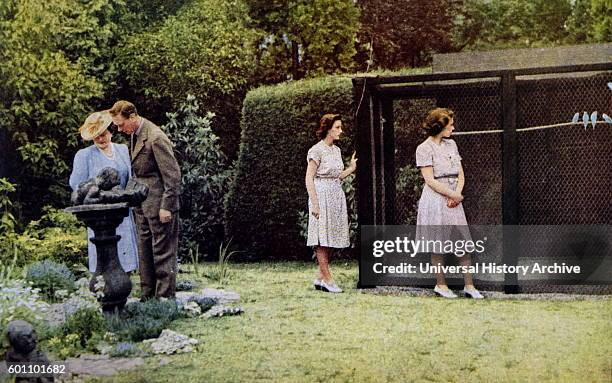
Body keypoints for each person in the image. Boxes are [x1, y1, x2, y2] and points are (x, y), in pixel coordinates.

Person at [109, 100, 181, 299]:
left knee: (163, 252)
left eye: (121, 124)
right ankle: (147, 296)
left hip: (160, 206)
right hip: (142, 204)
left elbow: (173, 176)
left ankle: (164, 299)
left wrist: (167, 206)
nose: (119, 129)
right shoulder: (134, 135)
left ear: (132, 117)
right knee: (145, 252)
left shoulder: (156, 137)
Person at [415, 108, 483, 299]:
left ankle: (469, 286)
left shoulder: (451, 144)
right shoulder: (424, 148)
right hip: (436, 199)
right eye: (450, 125)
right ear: (439, 126)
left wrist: (457, 194)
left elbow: (460, 173)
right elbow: (430, 180)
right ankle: (441, 285)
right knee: (438, 243)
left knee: (462, 241)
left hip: (454, 198)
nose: (453, 128)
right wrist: (451, 194)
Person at [69, 110, 139, 274]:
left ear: (110, 131)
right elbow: (76, 184)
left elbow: (130, 177)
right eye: (96, 136)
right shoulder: (84, 155)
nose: (100, 139)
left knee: (124, 255)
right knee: (104, 258)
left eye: (103, 134)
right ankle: (104, 287)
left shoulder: (122, 150)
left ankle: (124, 287)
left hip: (122, 211)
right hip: (100, 214)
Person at [305, 114, 357, 293]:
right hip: (321, 195)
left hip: (336, 194)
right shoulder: (316, 150)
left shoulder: (336, 150)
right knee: (321, 238)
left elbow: (336, 175)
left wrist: (351, 168)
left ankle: (321, 278)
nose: (341, 131)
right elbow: (309, 178)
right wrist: (315, 204)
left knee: (332, 237)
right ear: (328, 129)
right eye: (337, 127)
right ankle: (327, 279)